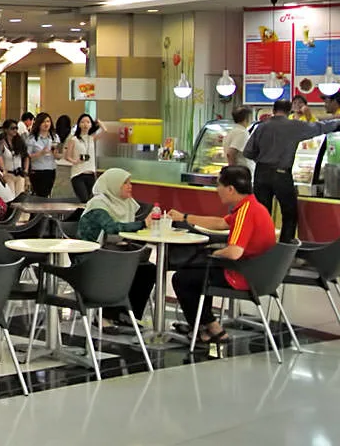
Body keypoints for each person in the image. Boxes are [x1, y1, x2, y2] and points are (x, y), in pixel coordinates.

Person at [169, 166, 277, 344]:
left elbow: (234, 252)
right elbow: (220, 223)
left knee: (182, 278)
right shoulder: (253, 206)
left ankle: (210, 327)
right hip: (261, 274)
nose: (217, 189)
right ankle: (204, 327)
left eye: (219, 185)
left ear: (230, 189)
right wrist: (184, 217)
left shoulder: (245, 212)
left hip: (244, 275)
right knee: (199, 272)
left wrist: (214, 252)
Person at [243, 98, 340, 243]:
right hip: (281, 174)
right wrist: (337, 123)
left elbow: (248, 152)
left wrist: (263, 159)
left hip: (261, 173)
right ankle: (285, 246)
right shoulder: (294, 125)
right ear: (289, 111)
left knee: (262, 213)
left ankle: (261, 245)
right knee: (289, 213)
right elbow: (319, 127)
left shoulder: (261, 127)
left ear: (273, 110)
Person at [77, 168, 156, 330]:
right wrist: (142, 224)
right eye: (125, 183)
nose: (130, 186)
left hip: (113, 252)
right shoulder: (98, 204)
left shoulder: (126, 203)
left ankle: (127, 313)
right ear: (113, 184)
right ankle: (104, 315)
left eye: (130, 182)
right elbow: (111, 228)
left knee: (148, 270)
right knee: (118, 266)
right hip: (91, 255)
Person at [64, 113, 106, 203]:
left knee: (90, 200)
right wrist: (75, 161)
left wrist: (99, 122)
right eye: (82, 122)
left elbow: (105, 131)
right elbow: (67, 156)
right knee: (84, 199)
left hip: (90, 173)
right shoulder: (74, 139)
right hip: (78, 174)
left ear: (91, 125)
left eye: (88, 122)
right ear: (79, 124)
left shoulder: (92, 138)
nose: (85, 124)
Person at [26, 112, 59, 197]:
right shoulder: (32, 138)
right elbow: (28, 157)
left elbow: (58, 155)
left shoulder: (54, 137)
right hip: (37, 170)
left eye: (48, 121)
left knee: (47, 193)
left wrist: (56, 154)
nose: (46, 124)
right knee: (40, 194)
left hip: (51, 169)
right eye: (43, 122)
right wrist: (41, 153)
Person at [0, 119, 29, 196]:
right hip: (8, 174)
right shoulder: (2, 143)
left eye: (16, 128)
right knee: (11, 196)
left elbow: (26, 156)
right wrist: (3, 170)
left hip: (19, 174)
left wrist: (25, 170)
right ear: (6, 130)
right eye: (12, 128)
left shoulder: (20, 142)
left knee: (20, 197)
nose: (15, 130)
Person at [224, 106, 254, 175]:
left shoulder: (233, 130)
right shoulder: (242, 133)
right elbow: (231, 153)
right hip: (241, 173)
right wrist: (234, 173)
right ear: (247, 118)